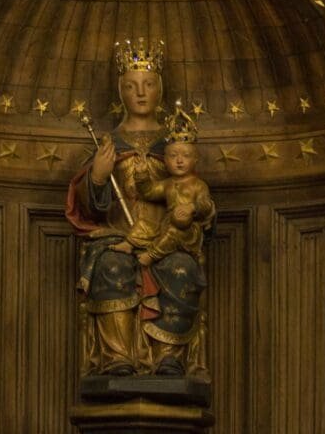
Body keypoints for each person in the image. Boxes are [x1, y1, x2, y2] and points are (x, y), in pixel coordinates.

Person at [65, 39, 209, 378]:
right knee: (111, 265)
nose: (140, 93)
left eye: (148, 85)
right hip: (120, 234)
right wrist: (98, 178)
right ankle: (118, 356)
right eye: (131, 86)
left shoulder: (174, 145)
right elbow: (87, 208)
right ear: (120, 91)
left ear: (159, 89)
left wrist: (193, 212)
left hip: (168, 238)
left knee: (181, 268)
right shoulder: (108, 144)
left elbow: (197, 195)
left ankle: (167, 357)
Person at [111, 113, 215, 268]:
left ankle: (151, 255)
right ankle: (129, 243)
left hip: (188, 231)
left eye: (185, 156)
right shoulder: (168, 184)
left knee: (174, 231)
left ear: (195, 160)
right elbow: (149, 192)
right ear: (165, 161)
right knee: (146, 224)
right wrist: (141, 175)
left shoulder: (198, 185)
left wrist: (191, 208)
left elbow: (206, 205)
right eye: (173, 156)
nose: (179, 161)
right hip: (166, 223)